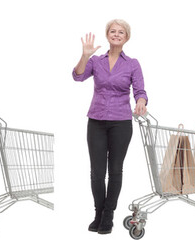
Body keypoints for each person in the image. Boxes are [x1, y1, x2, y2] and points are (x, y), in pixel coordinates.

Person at [72, 19, 147, 235]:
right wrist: (85, 55)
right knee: (97, 172)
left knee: (115, 171)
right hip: (96, 121)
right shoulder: (96, 60)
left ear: (126, 37)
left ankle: (108, 215)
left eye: (120, 32)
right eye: (112, 31)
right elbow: (77, 76)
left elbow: (140, 90)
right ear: (107, 35)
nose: (116, 34)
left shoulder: (132, 63)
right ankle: (98, 213)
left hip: (121, 123)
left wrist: (141, 101)